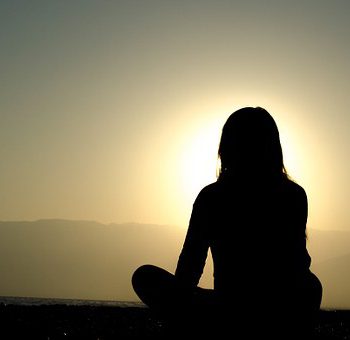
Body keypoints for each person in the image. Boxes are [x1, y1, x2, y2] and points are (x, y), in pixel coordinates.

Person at [132, 107, 322, 338]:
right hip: (268, 309)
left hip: (234, 309)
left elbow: (189, 268)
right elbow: (298, 264)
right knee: (311, 286)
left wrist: (180, 307)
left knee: (145, 277)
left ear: (226, 148)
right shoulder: (293, 194)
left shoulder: (212, 196)